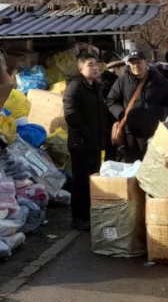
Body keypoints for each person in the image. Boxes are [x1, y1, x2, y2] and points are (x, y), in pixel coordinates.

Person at [107, 50, 168, 162]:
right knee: (132, 167)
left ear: (146, 62)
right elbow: (111, 101)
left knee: (154, 166)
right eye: (133, 63)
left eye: (138, 62)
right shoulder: (122, 81)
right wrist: (121, 114)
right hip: (132, 134)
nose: (135, 66)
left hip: (154, 132)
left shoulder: (158, 80)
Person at [63, 52, 110, 231]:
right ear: (80, 69)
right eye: (90, 65)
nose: (95, 67)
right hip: (81, 143)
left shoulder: (97, 87)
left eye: (96, 64)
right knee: (81, 182)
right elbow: (70, 115)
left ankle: (90, 214)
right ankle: (78, 217)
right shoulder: (75, 87)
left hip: (95, 143)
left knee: (93, 181)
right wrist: (87, 133)